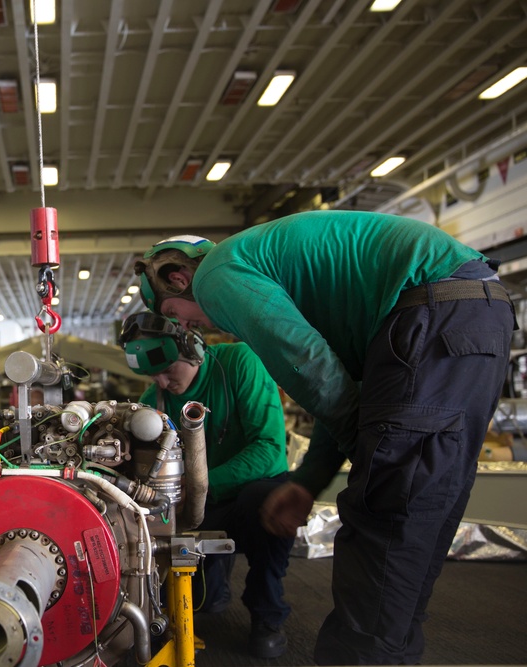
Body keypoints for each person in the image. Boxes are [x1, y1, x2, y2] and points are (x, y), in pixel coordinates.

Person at [134, 210, 517, 665]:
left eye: (176, 315)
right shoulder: (275, 268)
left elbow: (308, 366)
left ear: (179, 278)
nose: (192, 328)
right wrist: (308, 481)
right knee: (420, 514)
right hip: (472, 310)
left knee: (387, 517)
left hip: (432, 311)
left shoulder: (218, 274)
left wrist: (374, 460)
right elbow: (341, 382)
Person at [118, 311, 293, 659]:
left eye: (168, 370)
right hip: (193, 506)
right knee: (206, 603)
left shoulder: (240, 363)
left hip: (246, 495)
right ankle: (206, 586)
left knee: (273, 497)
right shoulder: (154, 401)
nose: (163, 382)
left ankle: (267, 613)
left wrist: (201, 485)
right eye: (154, 375)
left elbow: (271, 450)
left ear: (193, 348)